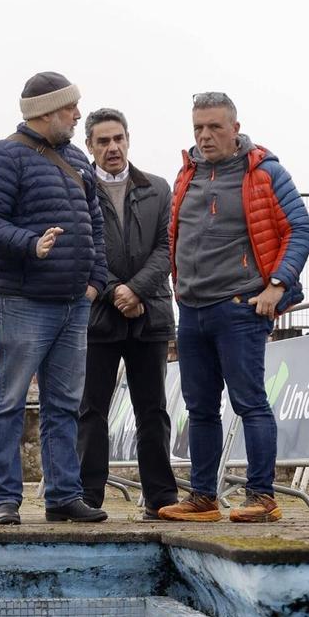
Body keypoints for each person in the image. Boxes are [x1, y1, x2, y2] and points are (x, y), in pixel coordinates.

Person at [158, 92, 309, 524]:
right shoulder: (186, 174)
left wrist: (277, 286)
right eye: (198, 128)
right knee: (200, 409)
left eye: (214, 127)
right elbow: (175, 235)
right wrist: (178, 287)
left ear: (235, 128)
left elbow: (301, 229)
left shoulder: (265, 172)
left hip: (240, 307)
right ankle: (203, 498)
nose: (205, 136)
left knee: (250, 403)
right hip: (191, 309)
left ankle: (262, 497)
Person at [0, 72, 109, 526]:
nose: (77, 114)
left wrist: (96, 280)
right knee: (9, 402)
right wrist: (32, 244)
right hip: (21, 300)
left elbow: (96, 224)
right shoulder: (1, 155)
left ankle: (63, 496)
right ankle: (5, 499)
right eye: (70, 108)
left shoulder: (77, 159)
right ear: (46, 112)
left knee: (65, 405)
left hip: (74, 302)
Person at [77, 108, 178, 518]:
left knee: (152, 410)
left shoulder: (158, 188)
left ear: (128, 139)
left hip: (148, 313)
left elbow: (167, 247)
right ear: (89, 146)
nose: (112, 147)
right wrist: (114, 288)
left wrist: (135, 290)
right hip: (99, 316)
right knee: (91, 410)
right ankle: (87, 497)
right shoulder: (77, 189)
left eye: (118, 138)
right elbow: (83, 248)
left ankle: (161, 498)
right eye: (103, 141)